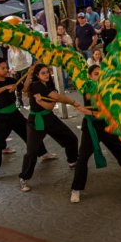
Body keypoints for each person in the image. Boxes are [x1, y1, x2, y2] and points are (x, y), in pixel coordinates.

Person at [70, 65, 121, 203]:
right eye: (96, 74)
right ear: (90, 76)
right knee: (83, 157)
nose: (99, 76)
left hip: (105, 125)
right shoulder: (89, 87)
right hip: (92, 127)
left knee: (120, 147)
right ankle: (76, 189)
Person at [0, 57, 51, 182]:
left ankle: (43, 153)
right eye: (3, 68)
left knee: (29, 134)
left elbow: (24, 88)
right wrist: (5, 88)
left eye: (6, 67)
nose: (6, 70)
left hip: (15, 114)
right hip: (2, 116)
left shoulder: (11, 80)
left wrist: (29, 74)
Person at [19, 64, 80, 192]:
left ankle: (72, 161)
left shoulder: (49, 86)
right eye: (43, 73)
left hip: (49, 118)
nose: (46, 75)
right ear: (37, 75)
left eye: (47, 72)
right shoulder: (36, 85)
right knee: (31, 152)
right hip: (36, 121)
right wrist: (73, 102)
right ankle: (24, 177)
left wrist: (42, 102)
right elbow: (55, 99)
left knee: (71, 138)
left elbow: (51, 106)